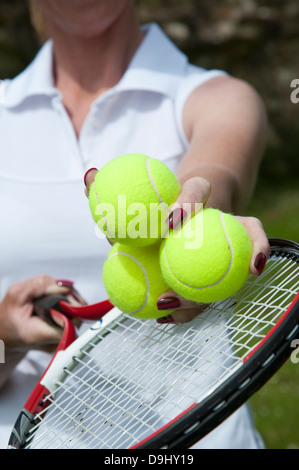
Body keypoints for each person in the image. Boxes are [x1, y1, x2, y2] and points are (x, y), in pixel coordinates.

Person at [0, 0, 270, 449]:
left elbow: (217, 171)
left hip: (200, 435)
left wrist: (197, 206)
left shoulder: (216, 94)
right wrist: (6, 336)